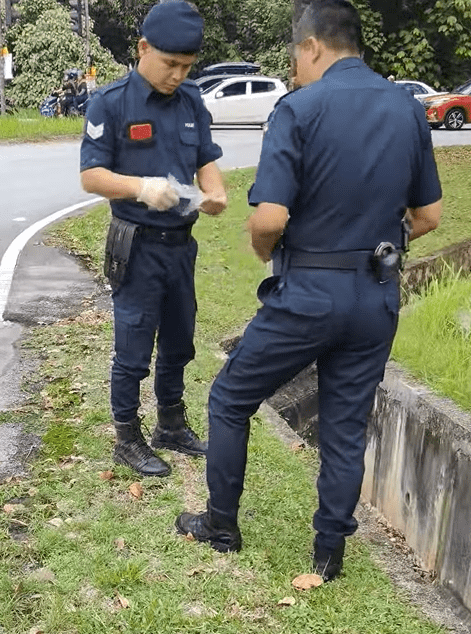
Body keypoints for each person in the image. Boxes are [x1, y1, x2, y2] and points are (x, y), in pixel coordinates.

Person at [176, 0, 442, 580]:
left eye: (295, 54)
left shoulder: (299, 109)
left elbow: (269, 219)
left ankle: (220, 525)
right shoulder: (407, 108)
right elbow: (430, 215)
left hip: (309, 293)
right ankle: (328, 556)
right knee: (346, 427)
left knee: (230, 398)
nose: (293, 67)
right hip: (376, 293)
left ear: (313, 46)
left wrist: (267, 250)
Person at [79, 0, 227, 478]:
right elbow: (92, 176)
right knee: (134, 349)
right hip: (136, 244)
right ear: (144, 48)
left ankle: (170, 425)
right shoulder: (112, 101)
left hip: (181, 246)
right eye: (170, 64)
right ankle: (126, 436)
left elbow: (205, 156)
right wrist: (140, 188)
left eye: (187, 66)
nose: (178, 75)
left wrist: (216, 189)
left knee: (180, 342)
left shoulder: (191, 101)